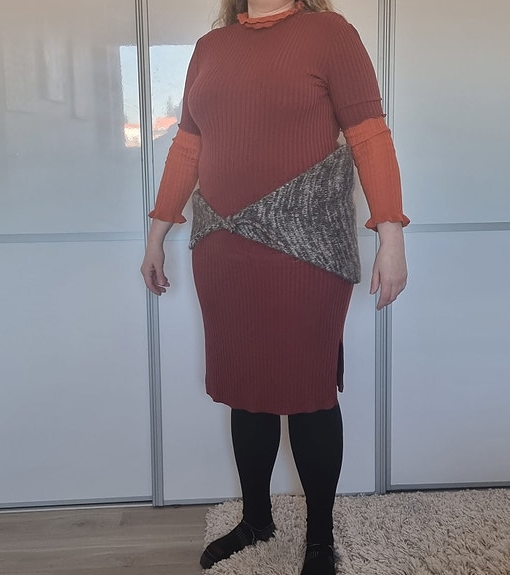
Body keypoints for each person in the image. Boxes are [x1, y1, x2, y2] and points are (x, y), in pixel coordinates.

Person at [141, 1, 409, 573]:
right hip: (223, 250)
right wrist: (156, 235)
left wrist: (391, 236)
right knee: (247, 389)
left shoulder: (329, 33)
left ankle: (319, 540)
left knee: (310, 393)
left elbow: (369, 137)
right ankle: (257, 519)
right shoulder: (211, 48)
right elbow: (188, 145)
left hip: (307, 250)